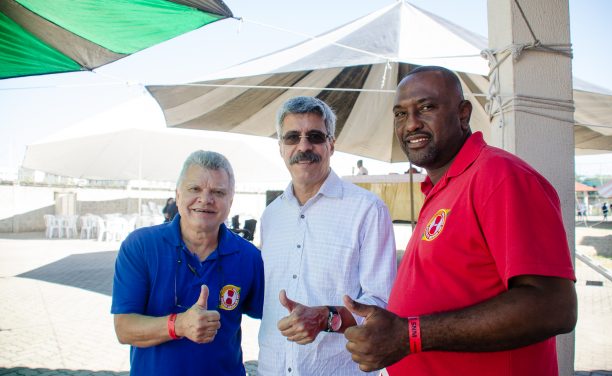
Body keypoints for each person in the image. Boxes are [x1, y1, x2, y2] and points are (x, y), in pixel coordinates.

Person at [342, 66, 577, 376]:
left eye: (426, 107)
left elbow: (553, 307)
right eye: (400, 114)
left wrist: (410, 335)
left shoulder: (499, 176)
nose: (411, 124)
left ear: (463, 113)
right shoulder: (443, 186)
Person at [257, 96, 397, 375]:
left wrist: (326, 317)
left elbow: (382, 306)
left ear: (331, 144)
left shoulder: (368, 210)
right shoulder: (270, 216)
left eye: (315, 136)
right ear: (281, 147)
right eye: (292, 137)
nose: (303, 146)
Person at [111, 150, 264, 376]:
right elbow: (124, 328)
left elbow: (274, 315)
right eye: (195, 189)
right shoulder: (141, 246)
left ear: (230, 202)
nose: (205, 199)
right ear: (178, 195)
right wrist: (179, 325)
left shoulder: (248, 256)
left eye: (218, 192)